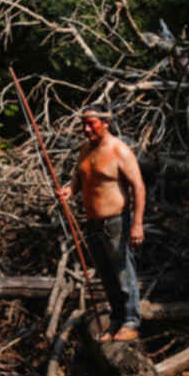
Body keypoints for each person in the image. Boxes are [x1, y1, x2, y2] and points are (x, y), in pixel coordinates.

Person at [57, 104, 146, 342]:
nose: (86, 129)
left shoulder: (120, 150)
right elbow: (80, 174)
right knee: (106, 274)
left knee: (123, 272)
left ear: (105, 123)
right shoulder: (85, 149)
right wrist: (70, 190)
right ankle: (116, 320)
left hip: (116, 222)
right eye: (83, 125)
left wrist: (137, 224)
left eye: (91, 124)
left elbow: (138, 186)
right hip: (93, 224)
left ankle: (130, 321)